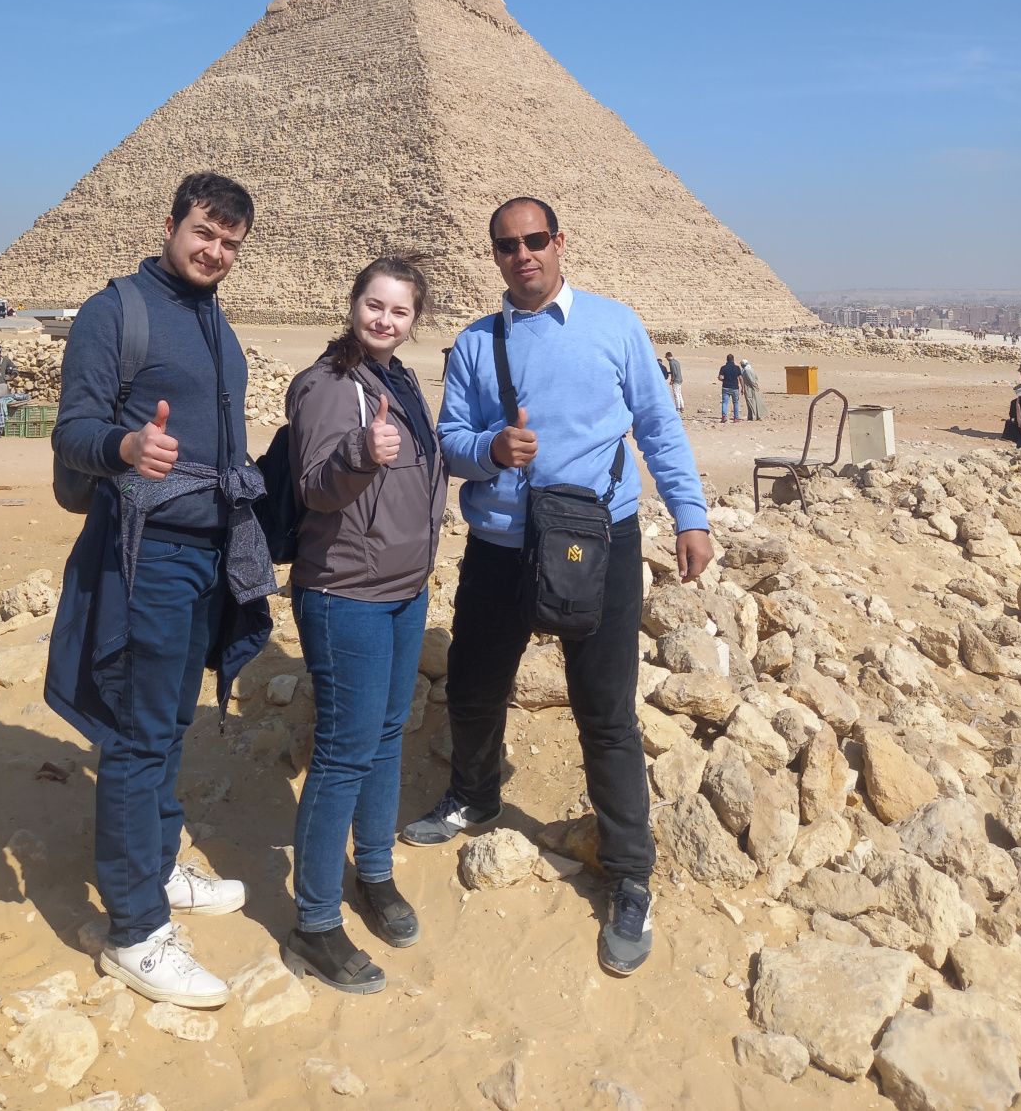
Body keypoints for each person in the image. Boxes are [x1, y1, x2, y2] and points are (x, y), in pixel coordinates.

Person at [401, 197, 711, 978]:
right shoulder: (477, 343)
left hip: (595, 544)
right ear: (494, 256)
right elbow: (448, 442)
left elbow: (657, 426)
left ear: (559, 242)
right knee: (474, 686)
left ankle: (630, 874)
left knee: (605, 712)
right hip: (501, 545)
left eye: (534, 240)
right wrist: (490, 448)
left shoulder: (615, 326)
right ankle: (473, 795)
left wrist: (690, 515)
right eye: (507, 246)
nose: (523, 255)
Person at [47, 172, 272, 1010]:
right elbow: (73, 429)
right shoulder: (117, 312)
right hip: (147, 557)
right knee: (137, 737)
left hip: (207, 557)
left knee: (172, 723)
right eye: (203, 232)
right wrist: (126, 446)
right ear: (170, 223)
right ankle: (135, 930)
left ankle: (159, 862)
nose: (214, 251)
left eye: (230, 243)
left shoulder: (215, 321)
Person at [281, 258, 447, 996]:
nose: (385, 320)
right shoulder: (326, 386)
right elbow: (314, 486)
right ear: (352, 305)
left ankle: (374, 875)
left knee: (385, 737)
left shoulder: (400, 381)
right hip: (345, 592)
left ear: (414, 320)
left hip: (403, 590)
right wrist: (358, 452)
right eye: (374, 305)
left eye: (400, 311)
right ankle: (314, 922)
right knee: (343, 754)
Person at [717, 352, 743, 423]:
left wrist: (723, 380)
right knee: (735, 403)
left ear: (727, 360)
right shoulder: (737, 368)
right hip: (735, 387)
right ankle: (736, 418)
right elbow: (740, 378)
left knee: (725, 402)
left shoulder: (723, 368)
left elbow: (720, 377)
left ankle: (724, 416)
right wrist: (742, 387)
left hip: (725, 387)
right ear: (733, 359)